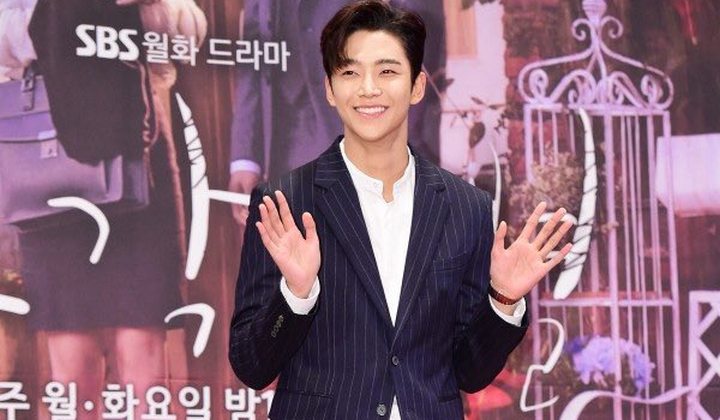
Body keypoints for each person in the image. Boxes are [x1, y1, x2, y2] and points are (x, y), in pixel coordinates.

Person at [228, 1, 572, 419]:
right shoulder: (285, 202)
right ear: (330, 88)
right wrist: (296, 294)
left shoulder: (466, 207)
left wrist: (502, 299)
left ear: (417, 86)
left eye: (387, 71)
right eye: (350, 73)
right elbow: (251, 365)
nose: (368, 88)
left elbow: (470, 372)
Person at [227, 0, 446, 227]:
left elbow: (418, 33)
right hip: (282, 141)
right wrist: (245, 158)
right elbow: (254, 50)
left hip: (361, 129)